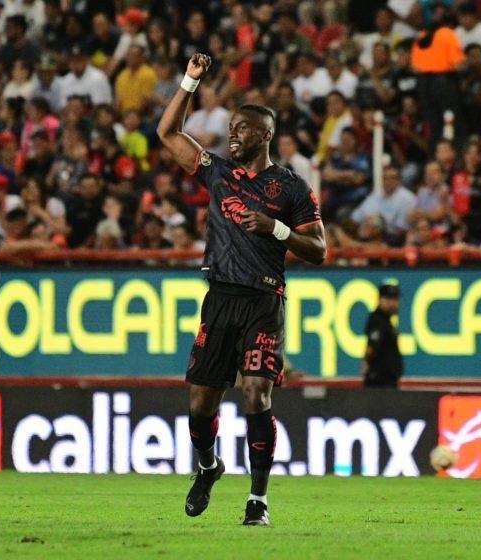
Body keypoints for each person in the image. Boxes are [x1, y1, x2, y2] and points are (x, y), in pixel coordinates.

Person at [156, 53, 325, 526]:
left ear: (266, 135)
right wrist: (189, 81)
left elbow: (320, 248)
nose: (234, 134)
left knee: (256, 395)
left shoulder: (291, 189)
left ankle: (258, 500)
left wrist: (277, 230)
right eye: (231, 127)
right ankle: (208, 467)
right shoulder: (218, 170)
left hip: (264, 300)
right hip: (220, 298)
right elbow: (168, 134)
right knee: (199, 404)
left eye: (244, 129)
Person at [362, 284, 403, 388]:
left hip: (387, 380)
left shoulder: (387, 322)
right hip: (379, 381)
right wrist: (366, 362)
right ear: (381, 300)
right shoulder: (378, 320)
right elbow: (372, 346)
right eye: (389, 299)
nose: (393, 303)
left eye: (395, 299)